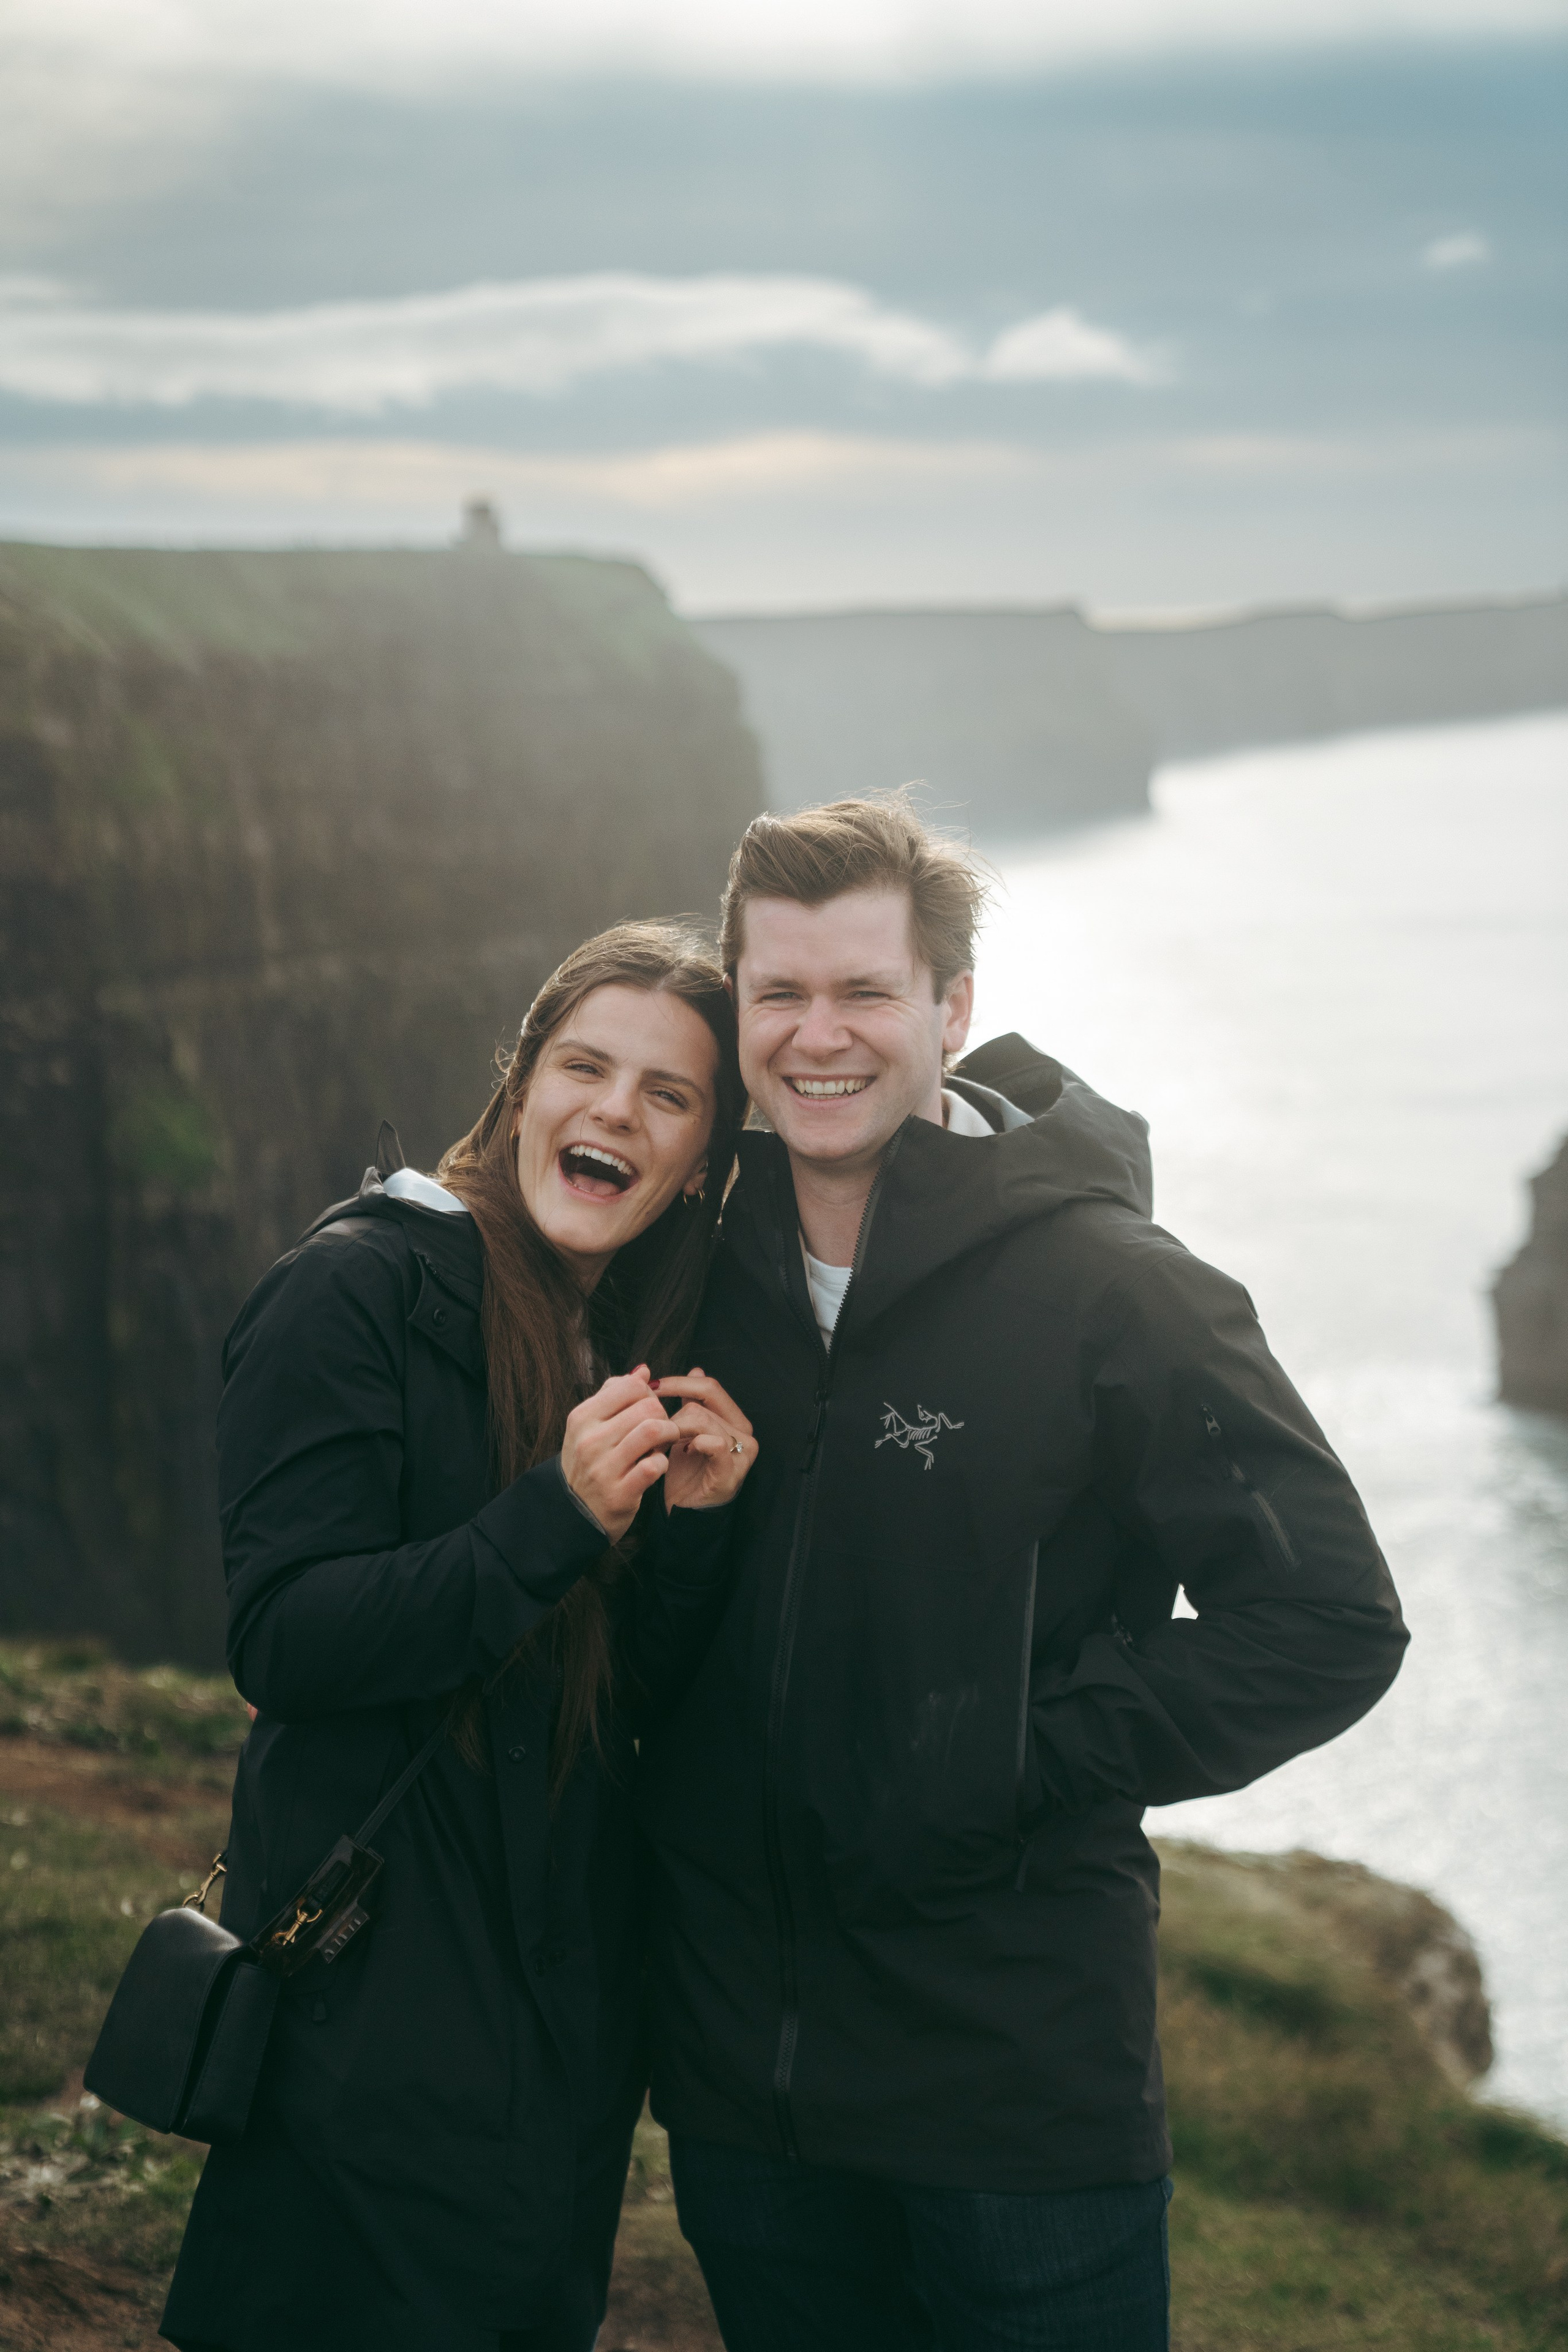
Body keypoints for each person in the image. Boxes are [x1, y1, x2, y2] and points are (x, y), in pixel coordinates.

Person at [639, 797, 1409, 2351]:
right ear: (735, 1009)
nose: (817, 1036)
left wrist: (1020, 1750)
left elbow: (1327, 1622)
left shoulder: (1116, 1290)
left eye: (864, 990)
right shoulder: (685, 1266)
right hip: (744, 2092)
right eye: (777, 993)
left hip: (1014, 2101)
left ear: (951, 1009)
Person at [161, 922, 756, 2352]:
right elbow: (286, 1640)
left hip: (549, 2049)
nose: (617, 1109)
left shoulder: (601, 1342)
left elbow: (613, 1707)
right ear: (521, 1084)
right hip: (370, 2032)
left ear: (697, 1163)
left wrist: (694, 1527)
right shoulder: (351, 1290)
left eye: (668, 1096)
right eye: (586, 1065)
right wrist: (553, 1515)